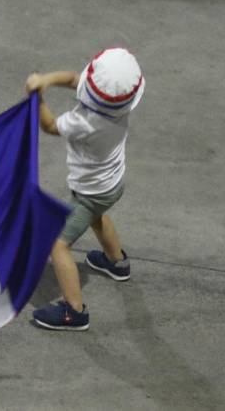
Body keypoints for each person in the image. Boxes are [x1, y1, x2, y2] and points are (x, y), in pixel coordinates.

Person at [25, 47, 145, 331]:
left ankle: (74, 311)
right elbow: (72, 79)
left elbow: (50, 126)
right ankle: (117, 263)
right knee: (97, 216)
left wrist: (37, 97)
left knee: (58, 244)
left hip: (90, 193)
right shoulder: (121, 107)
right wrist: (45, 80)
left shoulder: (86, 122)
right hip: (112, 184)